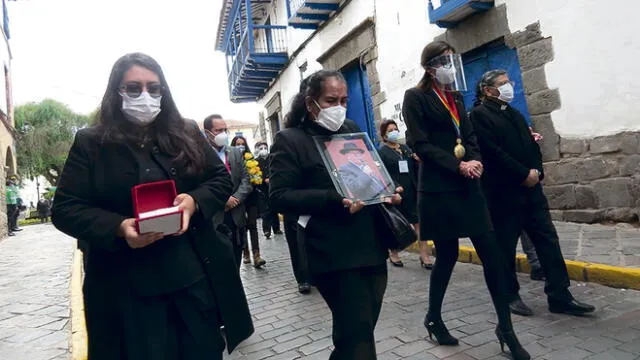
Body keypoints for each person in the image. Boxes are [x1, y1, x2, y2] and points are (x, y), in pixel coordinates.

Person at [51, 53, 253, 359]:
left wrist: (193, 201)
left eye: (153, 88)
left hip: (191, 279)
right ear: (117, 91)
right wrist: (119, 227)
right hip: (126, 291)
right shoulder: (91, 143)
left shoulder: (185, 132)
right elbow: (66, 208)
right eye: (133, 88)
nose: (144, 96)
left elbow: (218, 180)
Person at [403, 41, 529, 360]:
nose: (450, 65)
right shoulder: (415, 98)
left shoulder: (457, 98)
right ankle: (433, 316)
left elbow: (469, 137)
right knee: (446, 257)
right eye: (444, 60)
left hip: (468, 187)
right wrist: (457, 164)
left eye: (452, 58)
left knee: (493, 256)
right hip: (439, 189)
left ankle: (506, 329)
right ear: (430, 66)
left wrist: (475, 160)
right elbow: (420, 143)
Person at [270, 70, 401, 359]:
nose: (339, 107)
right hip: (332, 251)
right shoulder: (289, 140)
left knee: (356, 333)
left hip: (370, 244)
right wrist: (334, 198)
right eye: (331, 100)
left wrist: (385, 189)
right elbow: (280, 197)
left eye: (344, 100)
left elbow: (367, 172)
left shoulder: (351, 128)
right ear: (310, 103)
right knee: (359, 340)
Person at [470, 69, 595, 317]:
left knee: (548, 242)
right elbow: (493, 154)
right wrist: (522, 174)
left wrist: (537, 171)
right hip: (504, 195)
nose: (509, 87)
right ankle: (509, 295)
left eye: (509, 82)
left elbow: (531, 144)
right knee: (505, 248)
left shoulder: (514, 113)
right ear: (488, 90)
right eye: (503, 84)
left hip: (532, 193)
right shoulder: (479, 116)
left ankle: (560, 295)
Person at [378, 119, 433, 268]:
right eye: (390, 131)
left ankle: (425, 256)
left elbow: (414, 167)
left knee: (419, 224)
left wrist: (417, 160)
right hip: (396, 193)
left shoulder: (405, 148)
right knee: (396, 224)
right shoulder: (382, 152)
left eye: (395, 129)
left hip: (412, 190)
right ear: (384, 135)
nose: (394, 132)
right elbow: (382, 173)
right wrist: (394, 187)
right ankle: (394, 253)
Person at [203, 115, 252, 270]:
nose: (223, 133)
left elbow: (246, 179)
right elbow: (200, 184)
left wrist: (236, 198)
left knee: (236, 257)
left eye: (225, 129)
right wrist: (222, 200)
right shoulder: (200, 155)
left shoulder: (235, 152)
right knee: (219, 263)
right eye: (218, 130)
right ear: (208, 132)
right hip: (215, 216)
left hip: (236, 215)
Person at [230, 135, 267, 268]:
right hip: (237, 198)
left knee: (252, 225)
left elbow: (258, 177)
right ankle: (245, 253)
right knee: (242, 226)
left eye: (242, 144)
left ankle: (256, 255)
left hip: (251, 197)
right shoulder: (230, 159)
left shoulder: (251, 159)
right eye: (237, 144)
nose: (240, 147)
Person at [254, 141, 283, 238]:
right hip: (262, 189)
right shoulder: (255, 161)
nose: (263, 150)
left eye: (265, 148)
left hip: (273, 187)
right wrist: (263, 179)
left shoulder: (272, 158)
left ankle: (276, 228)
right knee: (265, 211)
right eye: (261, 148)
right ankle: (266, 230)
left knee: (274, 208)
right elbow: (254, 174)